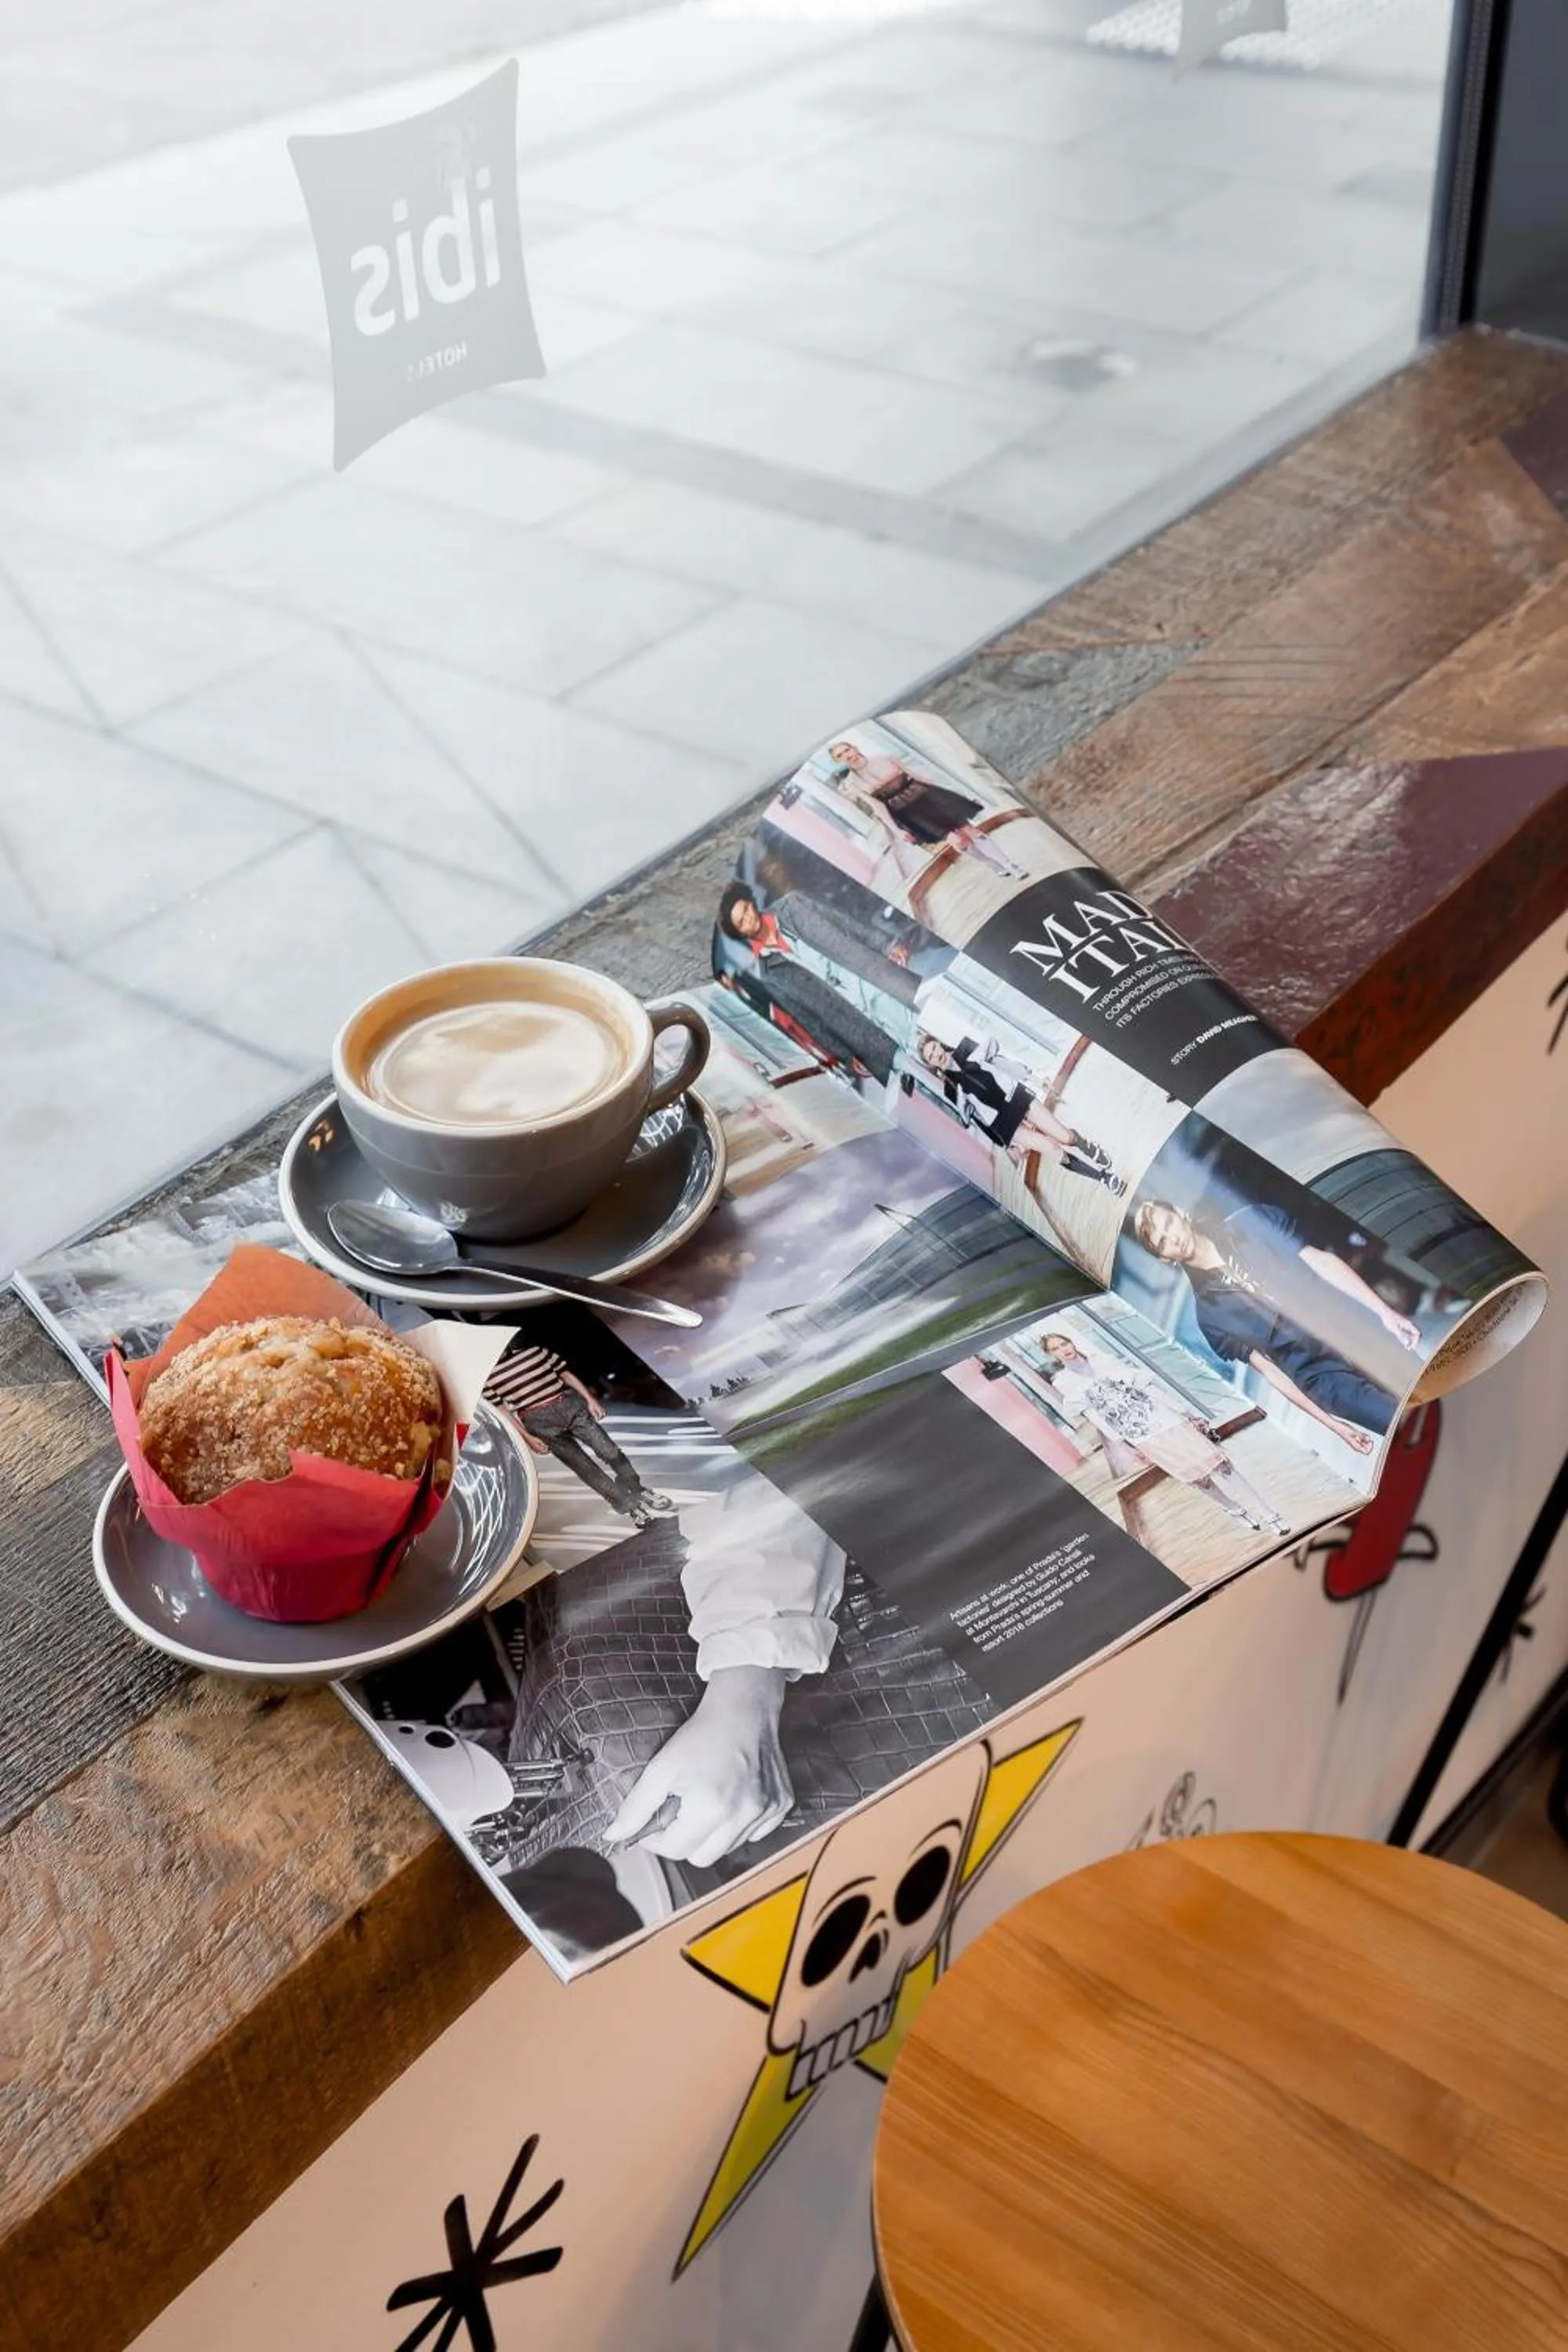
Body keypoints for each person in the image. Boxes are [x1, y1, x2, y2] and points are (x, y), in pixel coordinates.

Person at [1131, 1200, 1405, 1449]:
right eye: (1163, 1242)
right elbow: (1272, 1372)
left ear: (1180, 1213)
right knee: (1399, 1422)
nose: (1174, 1239)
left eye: (1168, 1224)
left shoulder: (1253, 1221)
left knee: (1420, 1388)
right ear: (1165, 1258)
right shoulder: (1209, 1317)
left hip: (1347, 1328)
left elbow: (1321, 1262)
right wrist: (1334, 1426)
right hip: (1322, 1378)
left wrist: (1384, 1312)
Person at [1040, 1330, 1290, 1540]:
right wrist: (1125, 1445)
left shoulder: (1102, 1360)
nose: (1064, 1349)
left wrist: (1184, 1412)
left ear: (1071, 1342)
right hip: (1141, 1435)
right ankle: (1233, 1509)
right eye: (1056, 1349)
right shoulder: (1064, 1382)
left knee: (1221, 1466)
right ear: (1051, 1355)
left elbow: (1147, 1388)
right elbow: (1096, 1417)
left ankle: (1269, 1514)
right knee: (1196, 1478)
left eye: (1064, 1343)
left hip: (1166, 1420)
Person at [717, 882, 910, 1086]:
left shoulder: (793, 905)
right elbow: (807, 1019)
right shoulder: (768, 974)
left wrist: (884, 943)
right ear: (740, 933)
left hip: (871, 980)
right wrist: (845, 1054)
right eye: (741, 922)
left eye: (746, 909)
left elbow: (843, 921)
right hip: (855, 1022)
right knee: (906, 1069)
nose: (749, 917)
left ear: (751, 901)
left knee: (926, 1033)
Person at [915, 1030, 1125, 1195]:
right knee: (1053, 1150)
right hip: (1004, 1124)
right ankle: (1104, 1178)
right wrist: (1006, 1144)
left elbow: (1000, 1062)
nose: (936, 1054)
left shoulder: (966, 1048)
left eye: (934, 1047)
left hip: (1017, 1097)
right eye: (931, 1056)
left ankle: (1087, 1146)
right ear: (930, 1064)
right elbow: (978, 1120)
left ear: (939, 1042)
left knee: (1065, 1137)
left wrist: (1034, 1078)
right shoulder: (950, 1090)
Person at [487, 1343, 673, 1526]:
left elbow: (565, 1374)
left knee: (610, 1451)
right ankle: (630, 1506)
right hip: (538, 1421)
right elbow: (502, 1410)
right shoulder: (487, 1377)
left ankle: (637, 1488)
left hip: (569, 1405)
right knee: (584, 1468)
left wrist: (590, 1399)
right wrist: (527, 1438)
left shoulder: (536, 1351)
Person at [827, 739, 1027, 881]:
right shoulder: (853, 783)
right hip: (909, 813)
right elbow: (878, 807)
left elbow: (915, 775)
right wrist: (897, 831)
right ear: (838, 761)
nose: (847, 755)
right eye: (840, 755)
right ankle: (991, 864)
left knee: (970, 830)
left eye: (847, 750)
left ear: (854, 748)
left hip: (928, 797)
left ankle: (1011, 865)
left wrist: (947, 794)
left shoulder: (884, 758)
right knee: (958, 840)